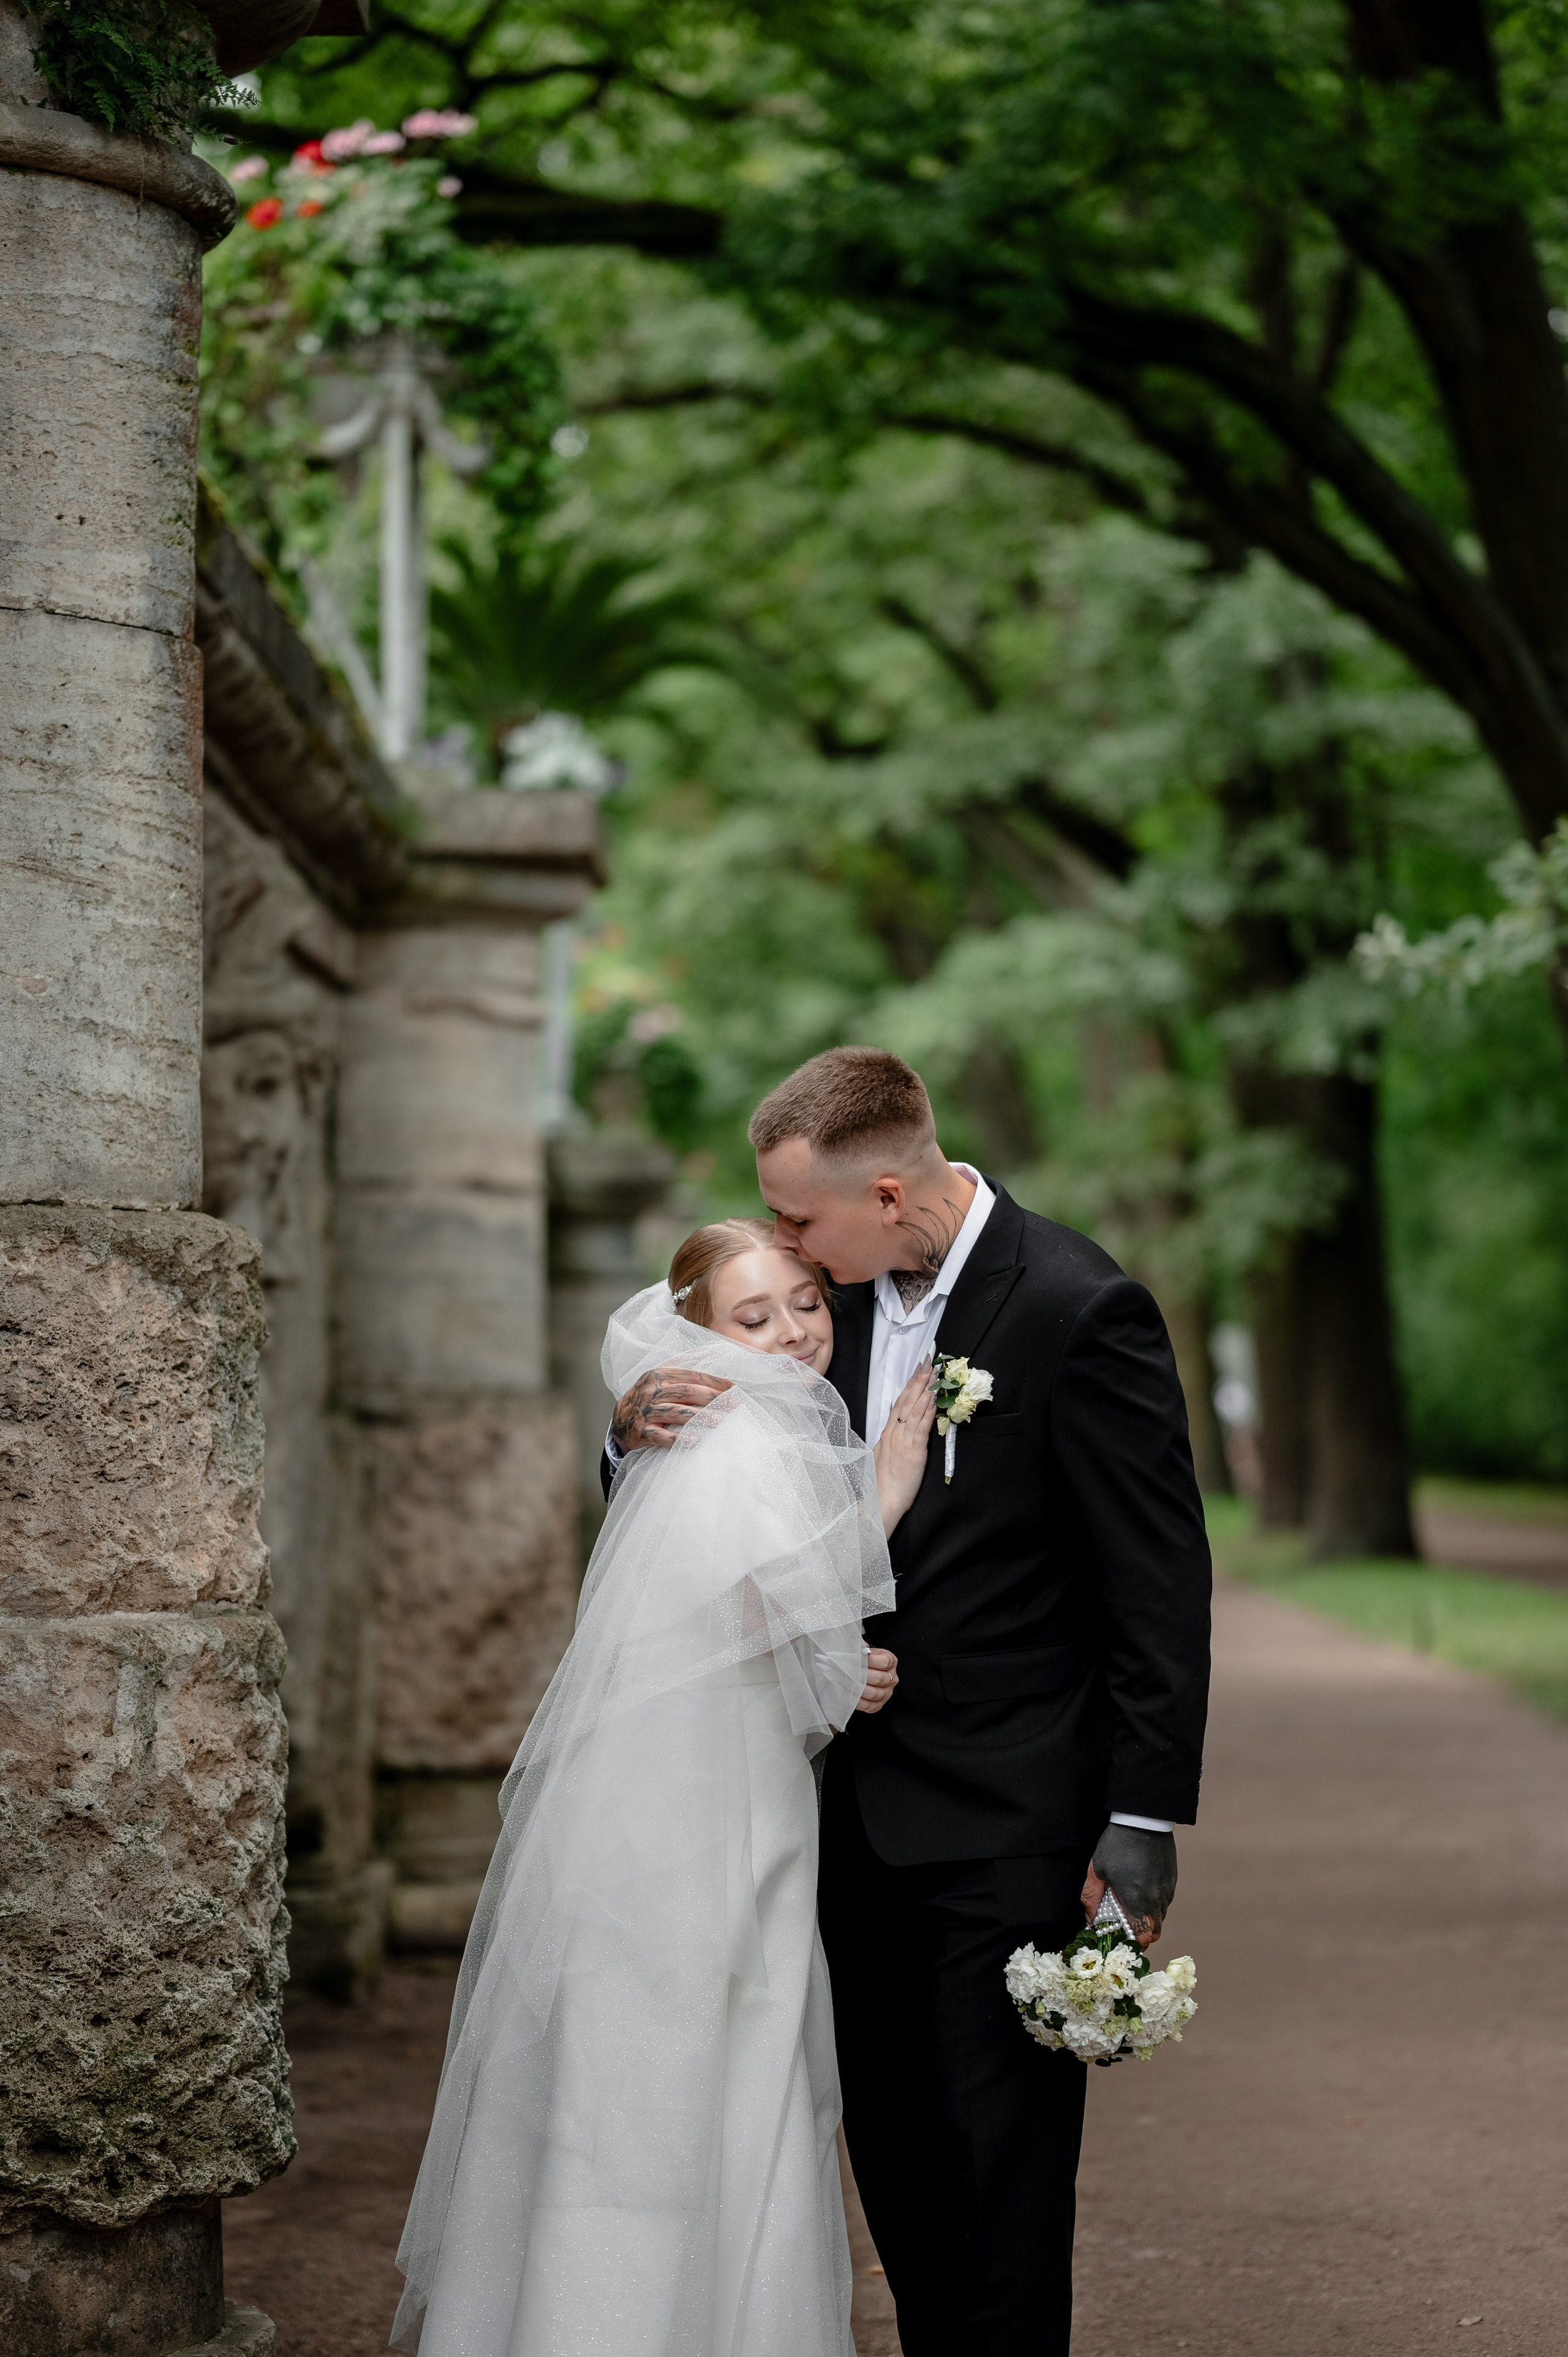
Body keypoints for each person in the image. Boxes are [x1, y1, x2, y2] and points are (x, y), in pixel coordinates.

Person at [604, 1049, 1212, 2357]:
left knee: (996, 2176)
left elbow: (1154, 1579)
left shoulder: (1075, 1304)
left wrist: (1143, 1813)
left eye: (799, 1216)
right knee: (893, 2165)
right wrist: (636, 1434)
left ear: (888, 1192)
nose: (782, 1242)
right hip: (830, 1809)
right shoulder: (821, 1305)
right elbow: (722, 1507)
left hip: (1007, 1819)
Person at [391, 1216, 935, 2357]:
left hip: (710, 1795)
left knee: (693, 2074)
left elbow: (736, 1617)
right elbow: (757, 1609)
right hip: (704, 1819)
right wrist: (882, 1499)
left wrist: (836, 1663)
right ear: (699, 1337)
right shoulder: (738, 1433)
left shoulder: (759, 1422)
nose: (793, 1331)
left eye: (806, 1302)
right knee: (689, 2074)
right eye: (755, 1316)